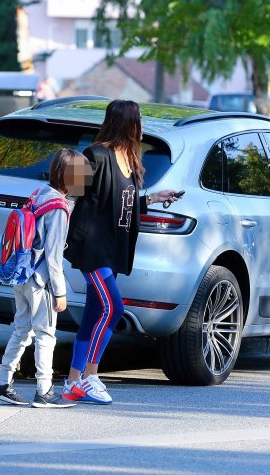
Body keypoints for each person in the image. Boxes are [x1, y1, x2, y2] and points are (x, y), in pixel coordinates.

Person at [61, 99, 182, 404]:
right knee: (112, 308)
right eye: (139, 120)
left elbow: (121, 205)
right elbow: (72, 196)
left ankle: (72, 383)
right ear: (128, 124)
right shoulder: (96, 154)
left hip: (113, 250)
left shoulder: (128, 161)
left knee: (92, 315)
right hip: (92, 249)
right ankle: (90, 376)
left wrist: (153, 198)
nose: (142, 126)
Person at [0, 149, 90, 408]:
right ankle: (44, 391)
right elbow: (53, 256)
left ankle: (1, 381)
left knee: (22, 329)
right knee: (46, 333)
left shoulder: (40, 194)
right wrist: (60, 291)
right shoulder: (58, 208)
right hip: (40, 280)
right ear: (69, 177)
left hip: (21, 274)